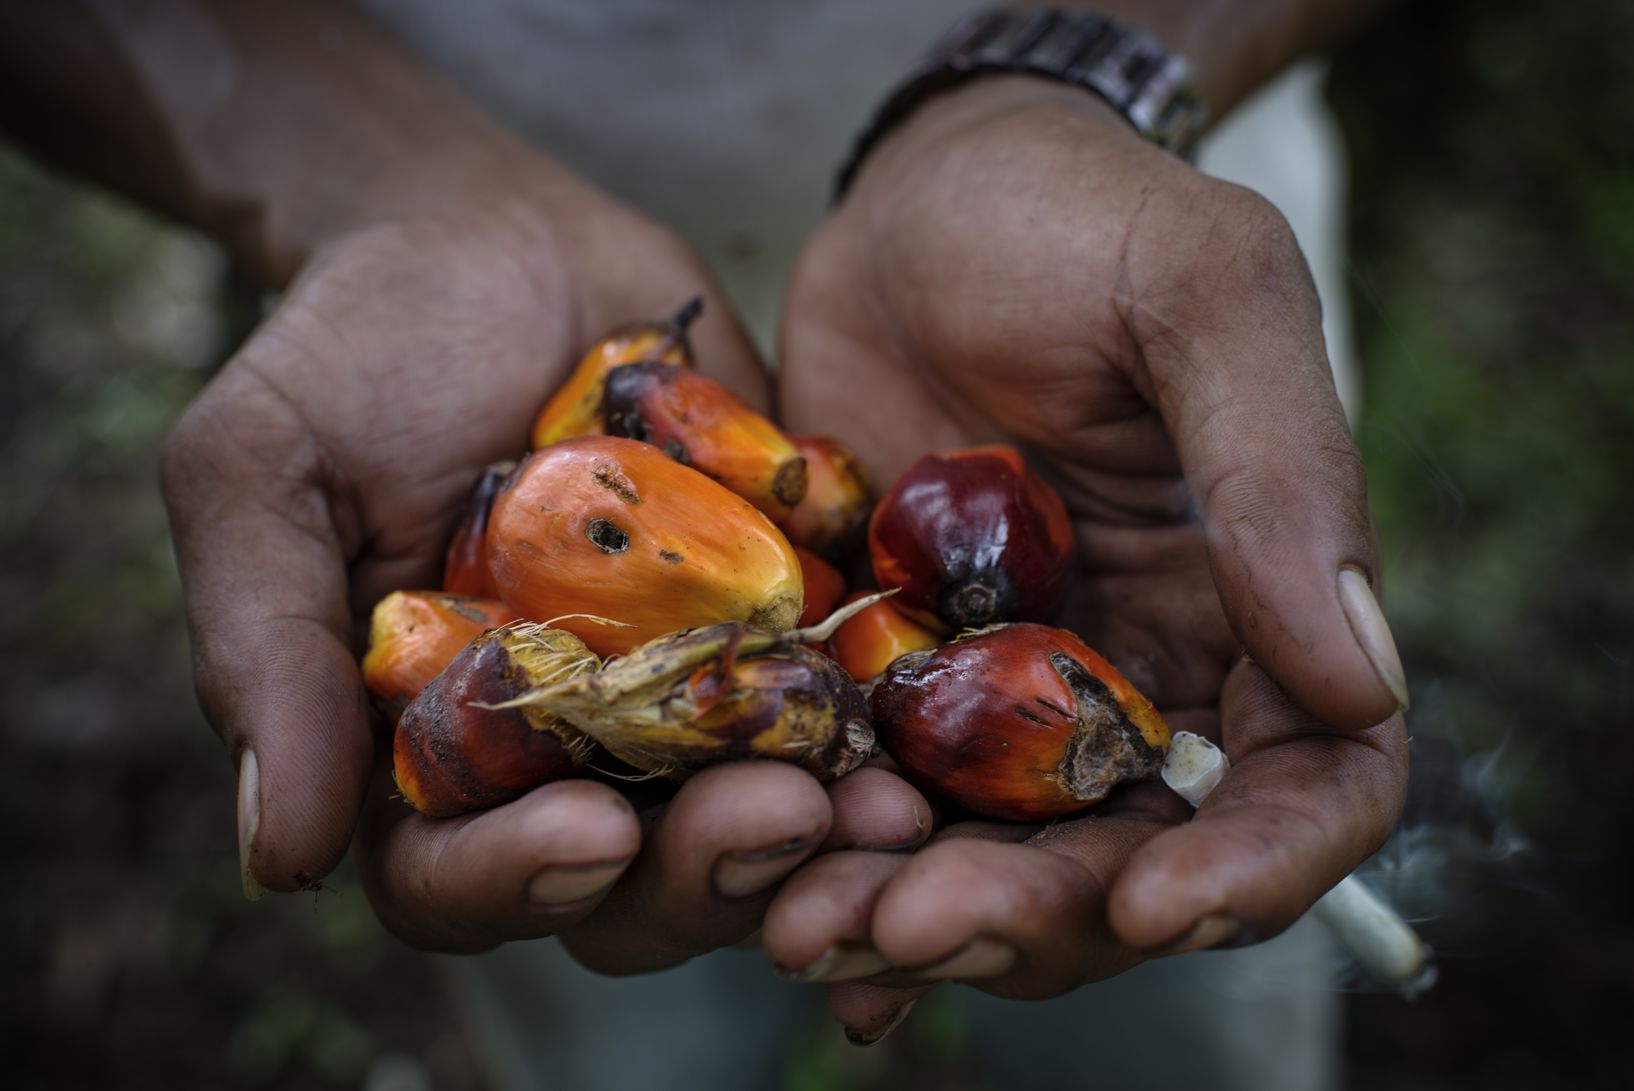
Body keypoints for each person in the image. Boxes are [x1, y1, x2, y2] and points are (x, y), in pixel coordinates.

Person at [1, 1, 1409, 1086]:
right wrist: (382, 185)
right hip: (434, 285)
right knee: (618, 1010)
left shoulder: (781, 571)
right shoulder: (699, 571)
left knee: (1181, 969)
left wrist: (1071, 69)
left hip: (1089, 294)